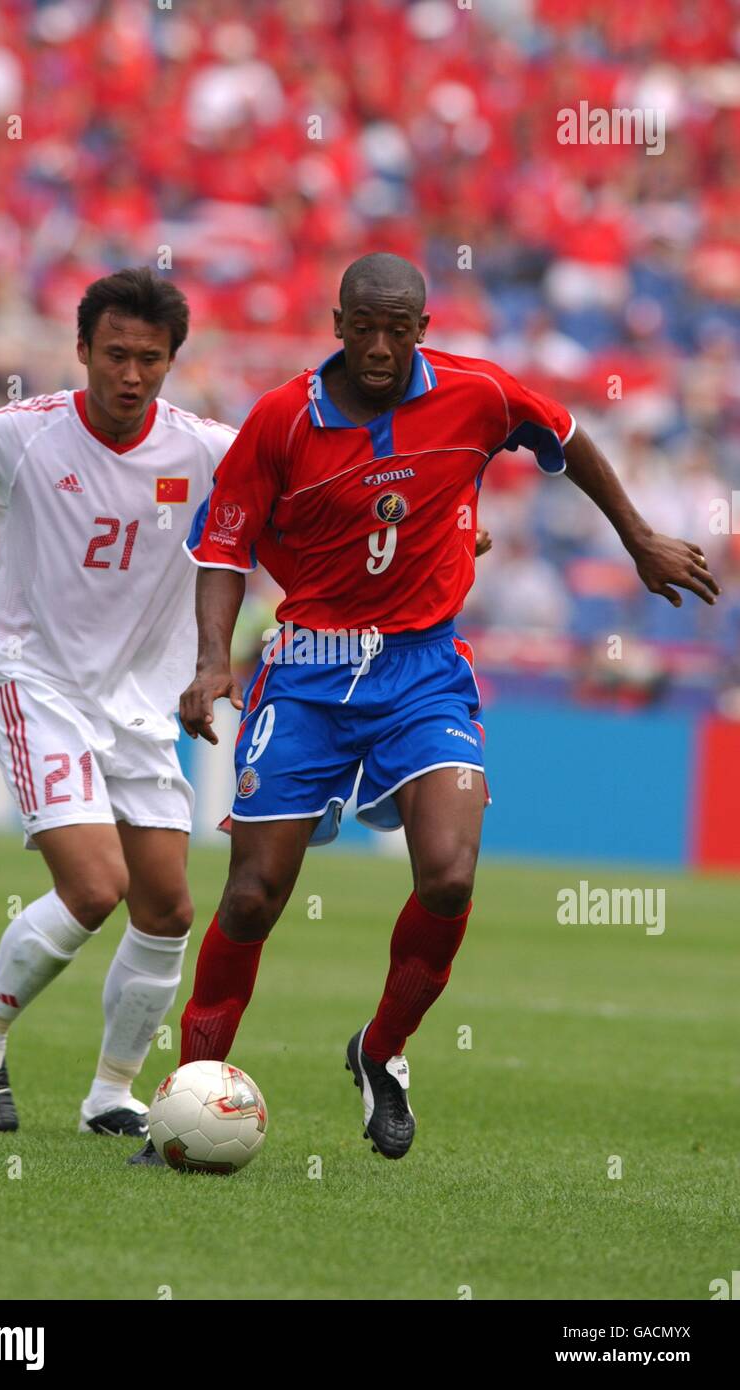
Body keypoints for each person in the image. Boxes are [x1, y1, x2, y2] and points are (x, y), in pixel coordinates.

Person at [131, 251, 719, 1165]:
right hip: (308, 675)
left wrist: (638, 537)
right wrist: (212, 663)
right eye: (360, 327)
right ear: (335, 324)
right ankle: (192, 1093)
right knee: (252, 895)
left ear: (421, 330)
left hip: (425, 670)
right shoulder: (281, 419)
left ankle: (381, 1052)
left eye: (394, 329)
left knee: (446, 877)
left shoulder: (476, 395)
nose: (376, 345)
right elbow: (223, 545)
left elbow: (566, 437)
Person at [0, 267, 237, 1137]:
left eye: (149, 360)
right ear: (81, 350)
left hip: (136, 704)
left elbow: (311, 493)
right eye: (115, 355)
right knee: (95, 885)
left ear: (172, 362)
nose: (130, 375)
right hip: (36, 681)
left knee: (167, 909)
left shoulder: (204, 449)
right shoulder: (22, 435)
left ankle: (109, 1095)